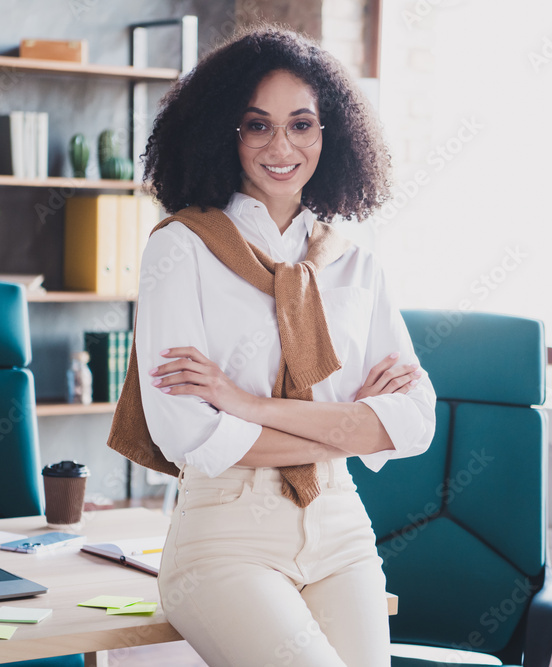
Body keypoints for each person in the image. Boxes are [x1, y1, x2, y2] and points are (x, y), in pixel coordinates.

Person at [131, 25, 436, 667]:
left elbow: (414, 422)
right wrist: (350, 428)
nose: (282, 146)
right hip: (225, 538)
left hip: (341, 525)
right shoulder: (180, 248)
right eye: (257, 125)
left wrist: (246, 404)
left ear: (331, 134)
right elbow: (186, 435)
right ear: (224, 131)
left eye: (302, 124)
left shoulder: (354, 265)